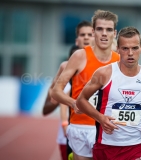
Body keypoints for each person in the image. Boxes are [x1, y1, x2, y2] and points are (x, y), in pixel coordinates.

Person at [76, 26, 141, 160]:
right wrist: (100, 118)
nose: (130, 53)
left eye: (135, 48)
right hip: (105, 146)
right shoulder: (104, 74)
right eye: (125, 48)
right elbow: (81, 100)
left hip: (135, 147)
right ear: (118, 49)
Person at [51, 10, 120, 160]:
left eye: (108, 30)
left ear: (114, 33)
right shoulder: (79, 56)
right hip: (80, 127)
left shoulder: (119, 61)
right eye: (100, 29)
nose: (104, 33)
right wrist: (73, 103)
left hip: (106, 128)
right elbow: (56, 91)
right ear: (94, 31)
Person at [42, 20, 94, 160]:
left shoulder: (107, 66)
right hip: (69, 134)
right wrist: (65, 100)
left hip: (98, 133)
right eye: (83, 35)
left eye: (90, 34)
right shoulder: (65, 67)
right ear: (77, 40)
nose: (87, 37)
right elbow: (46, 109)